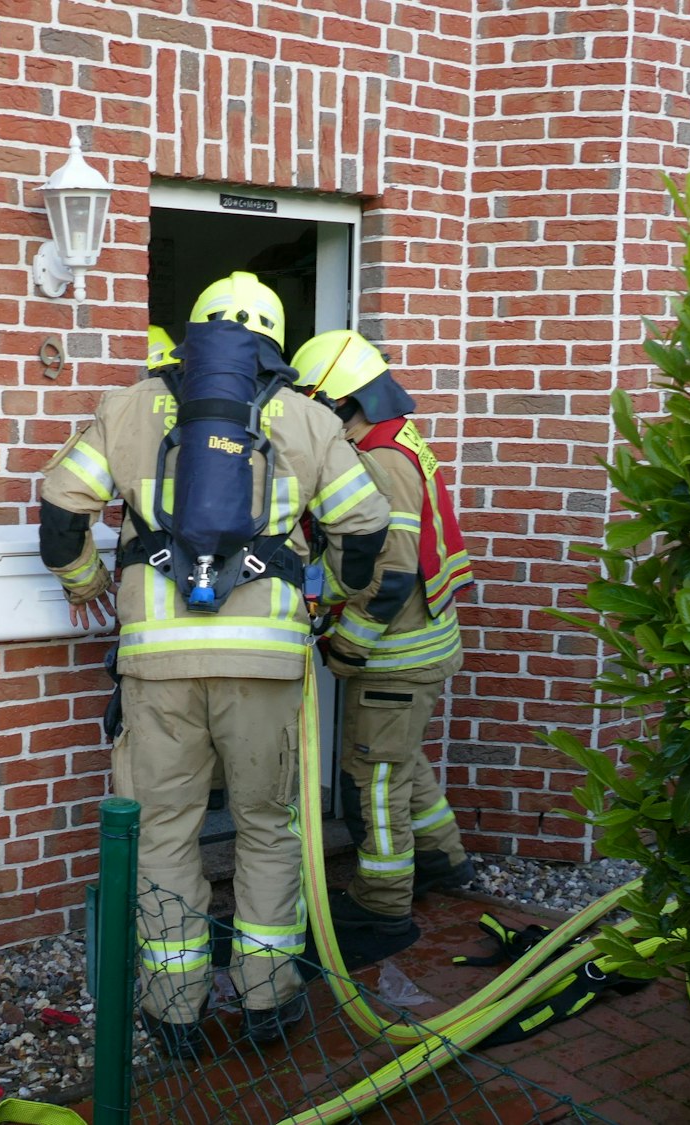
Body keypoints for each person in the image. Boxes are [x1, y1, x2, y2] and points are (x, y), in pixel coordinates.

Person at [38, 274, 390, 1056]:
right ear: (273, 339)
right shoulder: (305, 416)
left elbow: (62, 507)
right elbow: (365, 526)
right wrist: (331, 595)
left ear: (195, 335)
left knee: (163, 831)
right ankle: (268, 1000)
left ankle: (174, 1011)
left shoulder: (129, 406)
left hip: (156, 668)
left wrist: (88, 583)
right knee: (269, 827)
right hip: (265, 667)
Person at [291, 329, 477, 966]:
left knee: (373, 777)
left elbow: (391, 574)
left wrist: (346, 646)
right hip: (425, 644)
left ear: (344, 402)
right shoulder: (397, 436)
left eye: (320, 407)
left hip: (395, 652)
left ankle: (383, 898)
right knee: (401, 761)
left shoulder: (375, 457)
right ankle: (442, 859)